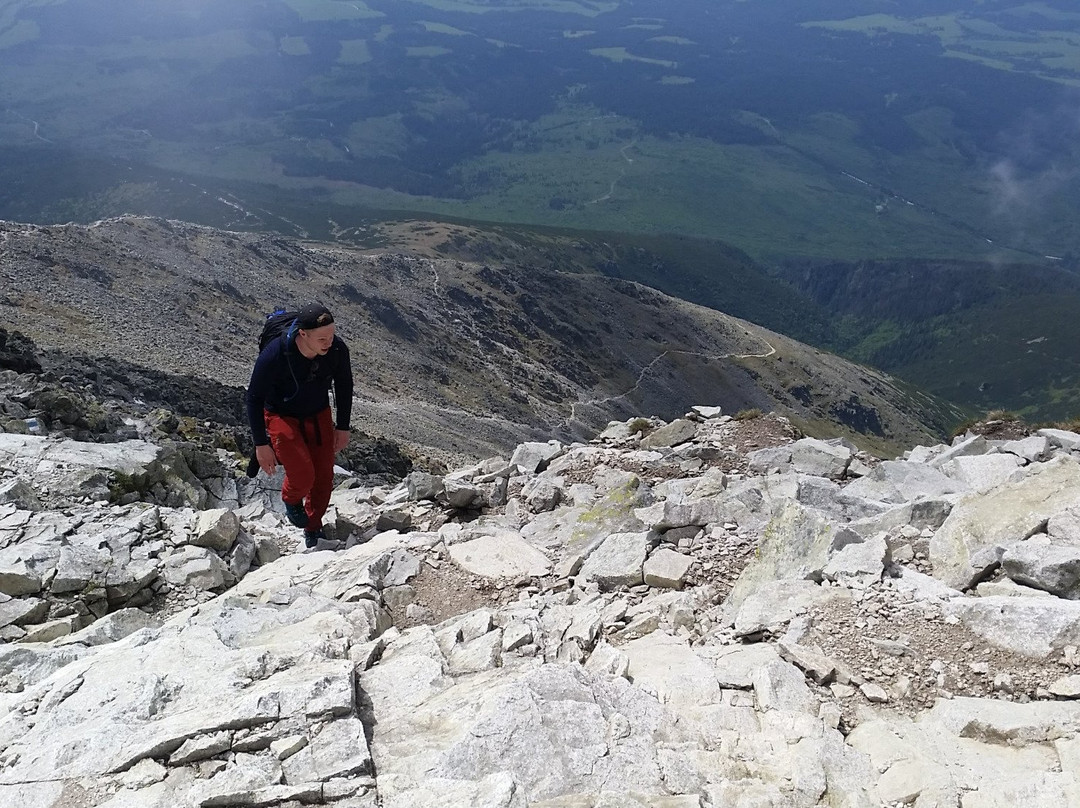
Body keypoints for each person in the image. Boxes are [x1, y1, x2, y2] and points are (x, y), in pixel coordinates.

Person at [246, 303, 353, 549]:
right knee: (303, 474)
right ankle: (291, 499)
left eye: (332, 334)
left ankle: (313, 528)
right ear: (302, 334)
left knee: (324, 476)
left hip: (318, 414)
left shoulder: (336, 349)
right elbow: (253, 398)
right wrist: (261, 444)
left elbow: (344, 385)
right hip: (281, 416)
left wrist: (343, 426)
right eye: (322, 338)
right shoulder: (276, 353)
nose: (329, 342)